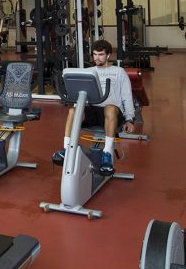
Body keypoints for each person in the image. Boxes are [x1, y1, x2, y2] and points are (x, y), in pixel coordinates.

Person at [54, 40, 136, 176]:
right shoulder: (88, 72)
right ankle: (66, 150)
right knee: (72, 111)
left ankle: (107, 154)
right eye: (95, 54)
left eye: (101, 55)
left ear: (108, 55)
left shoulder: (119, 72)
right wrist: (78, 110)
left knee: (109, 108)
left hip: (112, 113)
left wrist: (130, 119)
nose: (97, 58)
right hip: (93, 111)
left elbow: (127, 96)